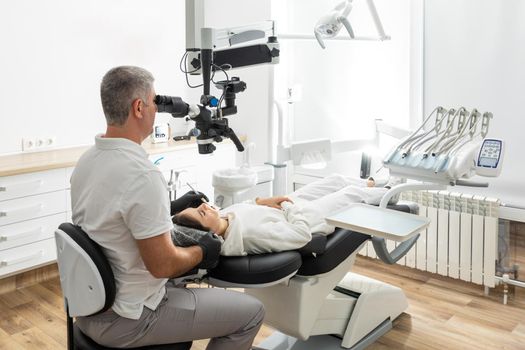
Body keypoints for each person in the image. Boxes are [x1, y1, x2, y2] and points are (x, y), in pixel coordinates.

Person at [70, 66, 264, 349]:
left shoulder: (87, 161)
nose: (155, 110)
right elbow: (163, 266)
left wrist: (169, 209)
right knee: (251, 312)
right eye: (153, 102)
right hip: (130, 318)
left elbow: (114, 218)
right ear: (139, 107)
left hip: (90, 306)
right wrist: (202, 250)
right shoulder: (142, 174)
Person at [173, 174, 393, 256]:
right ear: (209, 233)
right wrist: (289, 208)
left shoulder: (225, 217)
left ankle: (379, 183)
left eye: (200, 205)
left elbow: (247, 206)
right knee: (350, 194)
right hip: (307, 218)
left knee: (335, 180)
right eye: (202, 213)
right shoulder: (250, 235)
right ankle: (392, 193)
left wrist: (262, 201)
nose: (206, 206)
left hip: (289, 208)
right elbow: (301, 235)